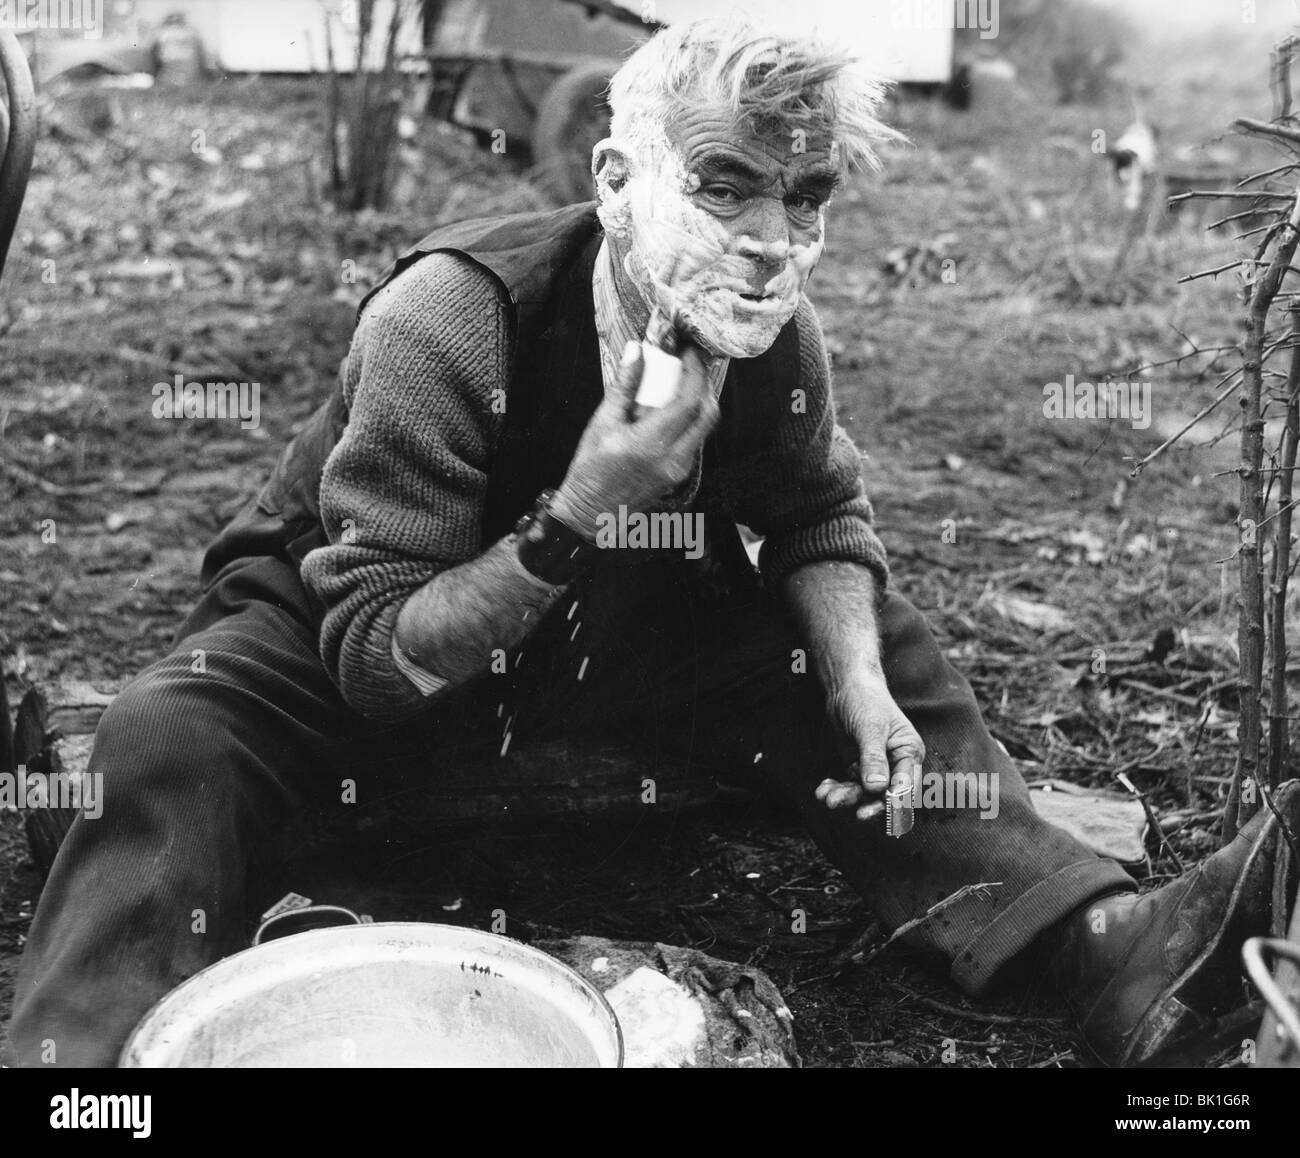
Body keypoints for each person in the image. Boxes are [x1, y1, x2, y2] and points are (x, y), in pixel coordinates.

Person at [7, 16, 1296, 1068]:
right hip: (351, 625)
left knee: (871, 646)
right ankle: (87, 1074)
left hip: (607, 632)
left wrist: (848, 682)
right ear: (615, 182)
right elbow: (372, 658)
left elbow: (815, 518)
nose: (768, 240)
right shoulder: (449, 320)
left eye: (805, 197)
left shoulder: (771, 328)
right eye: (725, 184)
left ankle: (1108, 953)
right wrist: (578, 510)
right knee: (167, 736)